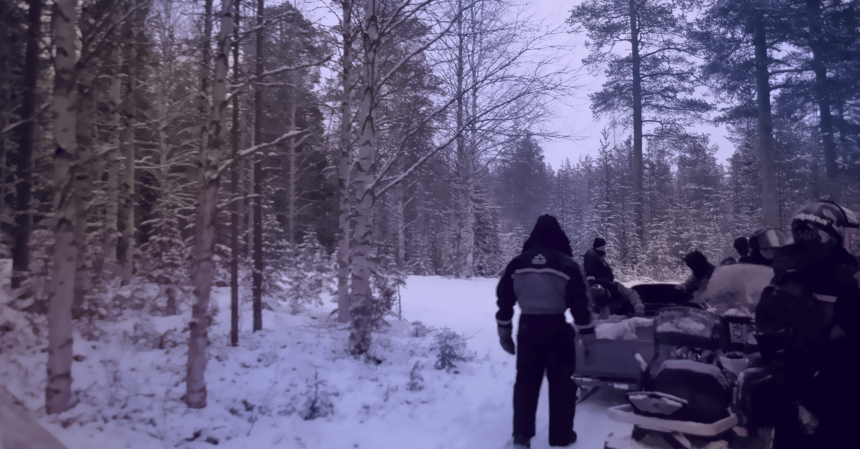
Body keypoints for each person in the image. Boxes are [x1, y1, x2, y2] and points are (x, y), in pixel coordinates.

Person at [754, 200, 860, 449]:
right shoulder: (834, 275)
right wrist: (801, 402)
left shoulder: (787, 272)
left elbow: (771, 342)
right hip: (826, 396)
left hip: (812, 394)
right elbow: (784, 347)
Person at [496, 214, 595, 449]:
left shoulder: (517, 263)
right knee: (562, 384)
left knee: (526, 382)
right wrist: (588, 336)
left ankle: (521, 436)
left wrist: (504, 332)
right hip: (557, 329)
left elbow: (504, 299)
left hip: (527, 329)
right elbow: (580, 304)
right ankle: (561, 437)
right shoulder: (567, 264)